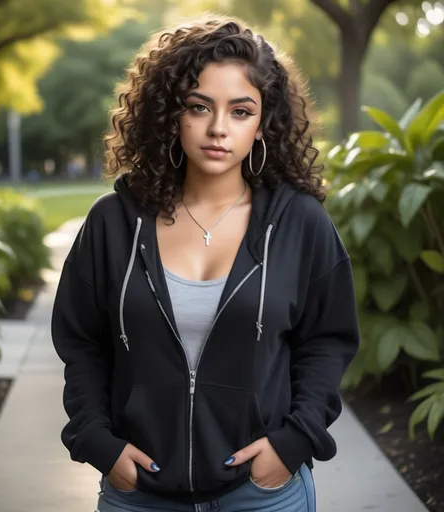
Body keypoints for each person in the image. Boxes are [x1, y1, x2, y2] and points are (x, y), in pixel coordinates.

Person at [51, 14, 360, 512]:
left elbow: (327, 341)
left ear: (264, 124)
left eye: (241, 111)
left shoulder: (299, 223)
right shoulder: (114, 222)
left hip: (262, 495)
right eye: (199, 107)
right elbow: (82, 342)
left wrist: (293, 442)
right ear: (171, 114)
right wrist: (99, 444)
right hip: (139, 496)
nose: (218, 128)